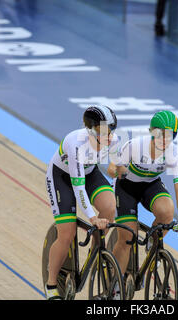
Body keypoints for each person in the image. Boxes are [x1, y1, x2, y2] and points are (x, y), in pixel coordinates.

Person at [44, 105, 122, 300]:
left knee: (110, 207)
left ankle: (97, 253)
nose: (109, 136)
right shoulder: (75, 144)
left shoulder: (113, 141)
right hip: (62, 178)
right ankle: (51, 284)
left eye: (111, 130)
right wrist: (93, 218)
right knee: (67, 233)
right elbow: (78, 188)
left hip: (89, 172)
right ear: (91, 130)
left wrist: (107, 207)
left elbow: (115, 175)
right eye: (104, 131)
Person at [108, 110, 178, 278]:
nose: (165, 140)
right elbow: (111, 168)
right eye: (160, 134)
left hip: (150, 186)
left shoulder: (175, 155)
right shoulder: (135, 145)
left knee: (167, 212)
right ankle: (115, 286)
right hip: (126, 187)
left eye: (170, 135)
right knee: (127, 238)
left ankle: (153, 241)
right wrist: (118, 170)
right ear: (152, 132)